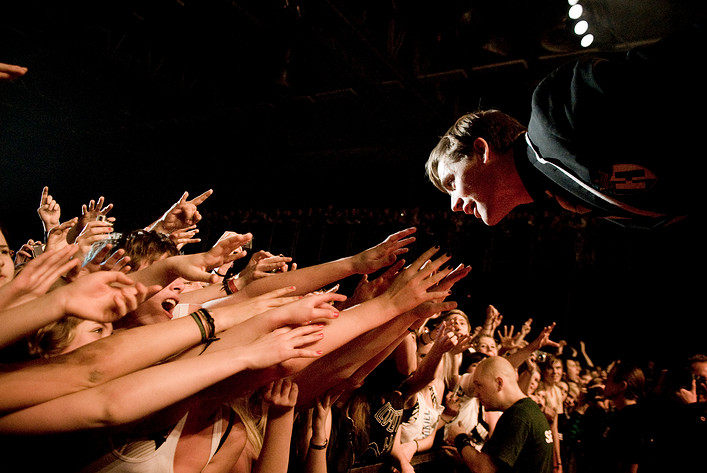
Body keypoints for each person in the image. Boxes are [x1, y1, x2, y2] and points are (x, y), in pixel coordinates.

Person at [425, 22, 706, 230]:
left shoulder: (553, 112)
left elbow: (675, 66)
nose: (454, 206)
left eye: (451, 183)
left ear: (482, 150)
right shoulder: (572, 197)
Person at [445, 355, 554, 473]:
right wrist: (466, 457)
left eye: (479, 385)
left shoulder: (518, 416)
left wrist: (460, 438)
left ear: (499, 383)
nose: (476, 393)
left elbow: (485, 469)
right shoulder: (528, 410)